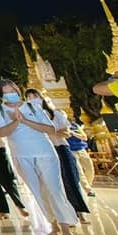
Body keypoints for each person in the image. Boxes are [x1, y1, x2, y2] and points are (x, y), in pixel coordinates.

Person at [0, 80, 78, 235]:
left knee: (54, 189)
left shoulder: (33, 107)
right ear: (2, 95)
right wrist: (16, 121)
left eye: (13, 89)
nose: (11, 93)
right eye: (6, 91)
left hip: (45, 152)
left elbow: (50, 129)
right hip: (21, 155)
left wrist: (25, 120)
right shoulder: (0, 111)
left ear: (17, 90)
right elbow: (2, 132)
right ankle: (54, 225)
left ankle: (66, 227)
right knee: (38, 191)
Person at [24, 88, 90, 224]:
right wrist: (53, 131)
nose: (32, 99)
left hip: (62, 148)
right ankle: (63, 215)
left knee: (71, 180)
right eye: (29, 97)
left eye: (34, 95)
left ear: (41, 97)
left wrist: (49, 131)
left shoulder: (56, 114)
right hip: (44, 151)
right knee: (54, 184)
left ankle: (79, 212)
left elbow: (66, 133)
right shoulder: (29, 117)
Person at [68, 119, 96, 197]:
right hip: (71, 150)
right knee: (79, 170)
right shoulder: (60, 126)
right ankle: (88, 190)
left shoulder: (76, 126)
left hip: (81, 149)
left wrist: (73, 133)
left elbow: (84, 137)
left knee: (90, 168)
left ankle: (88, 185)